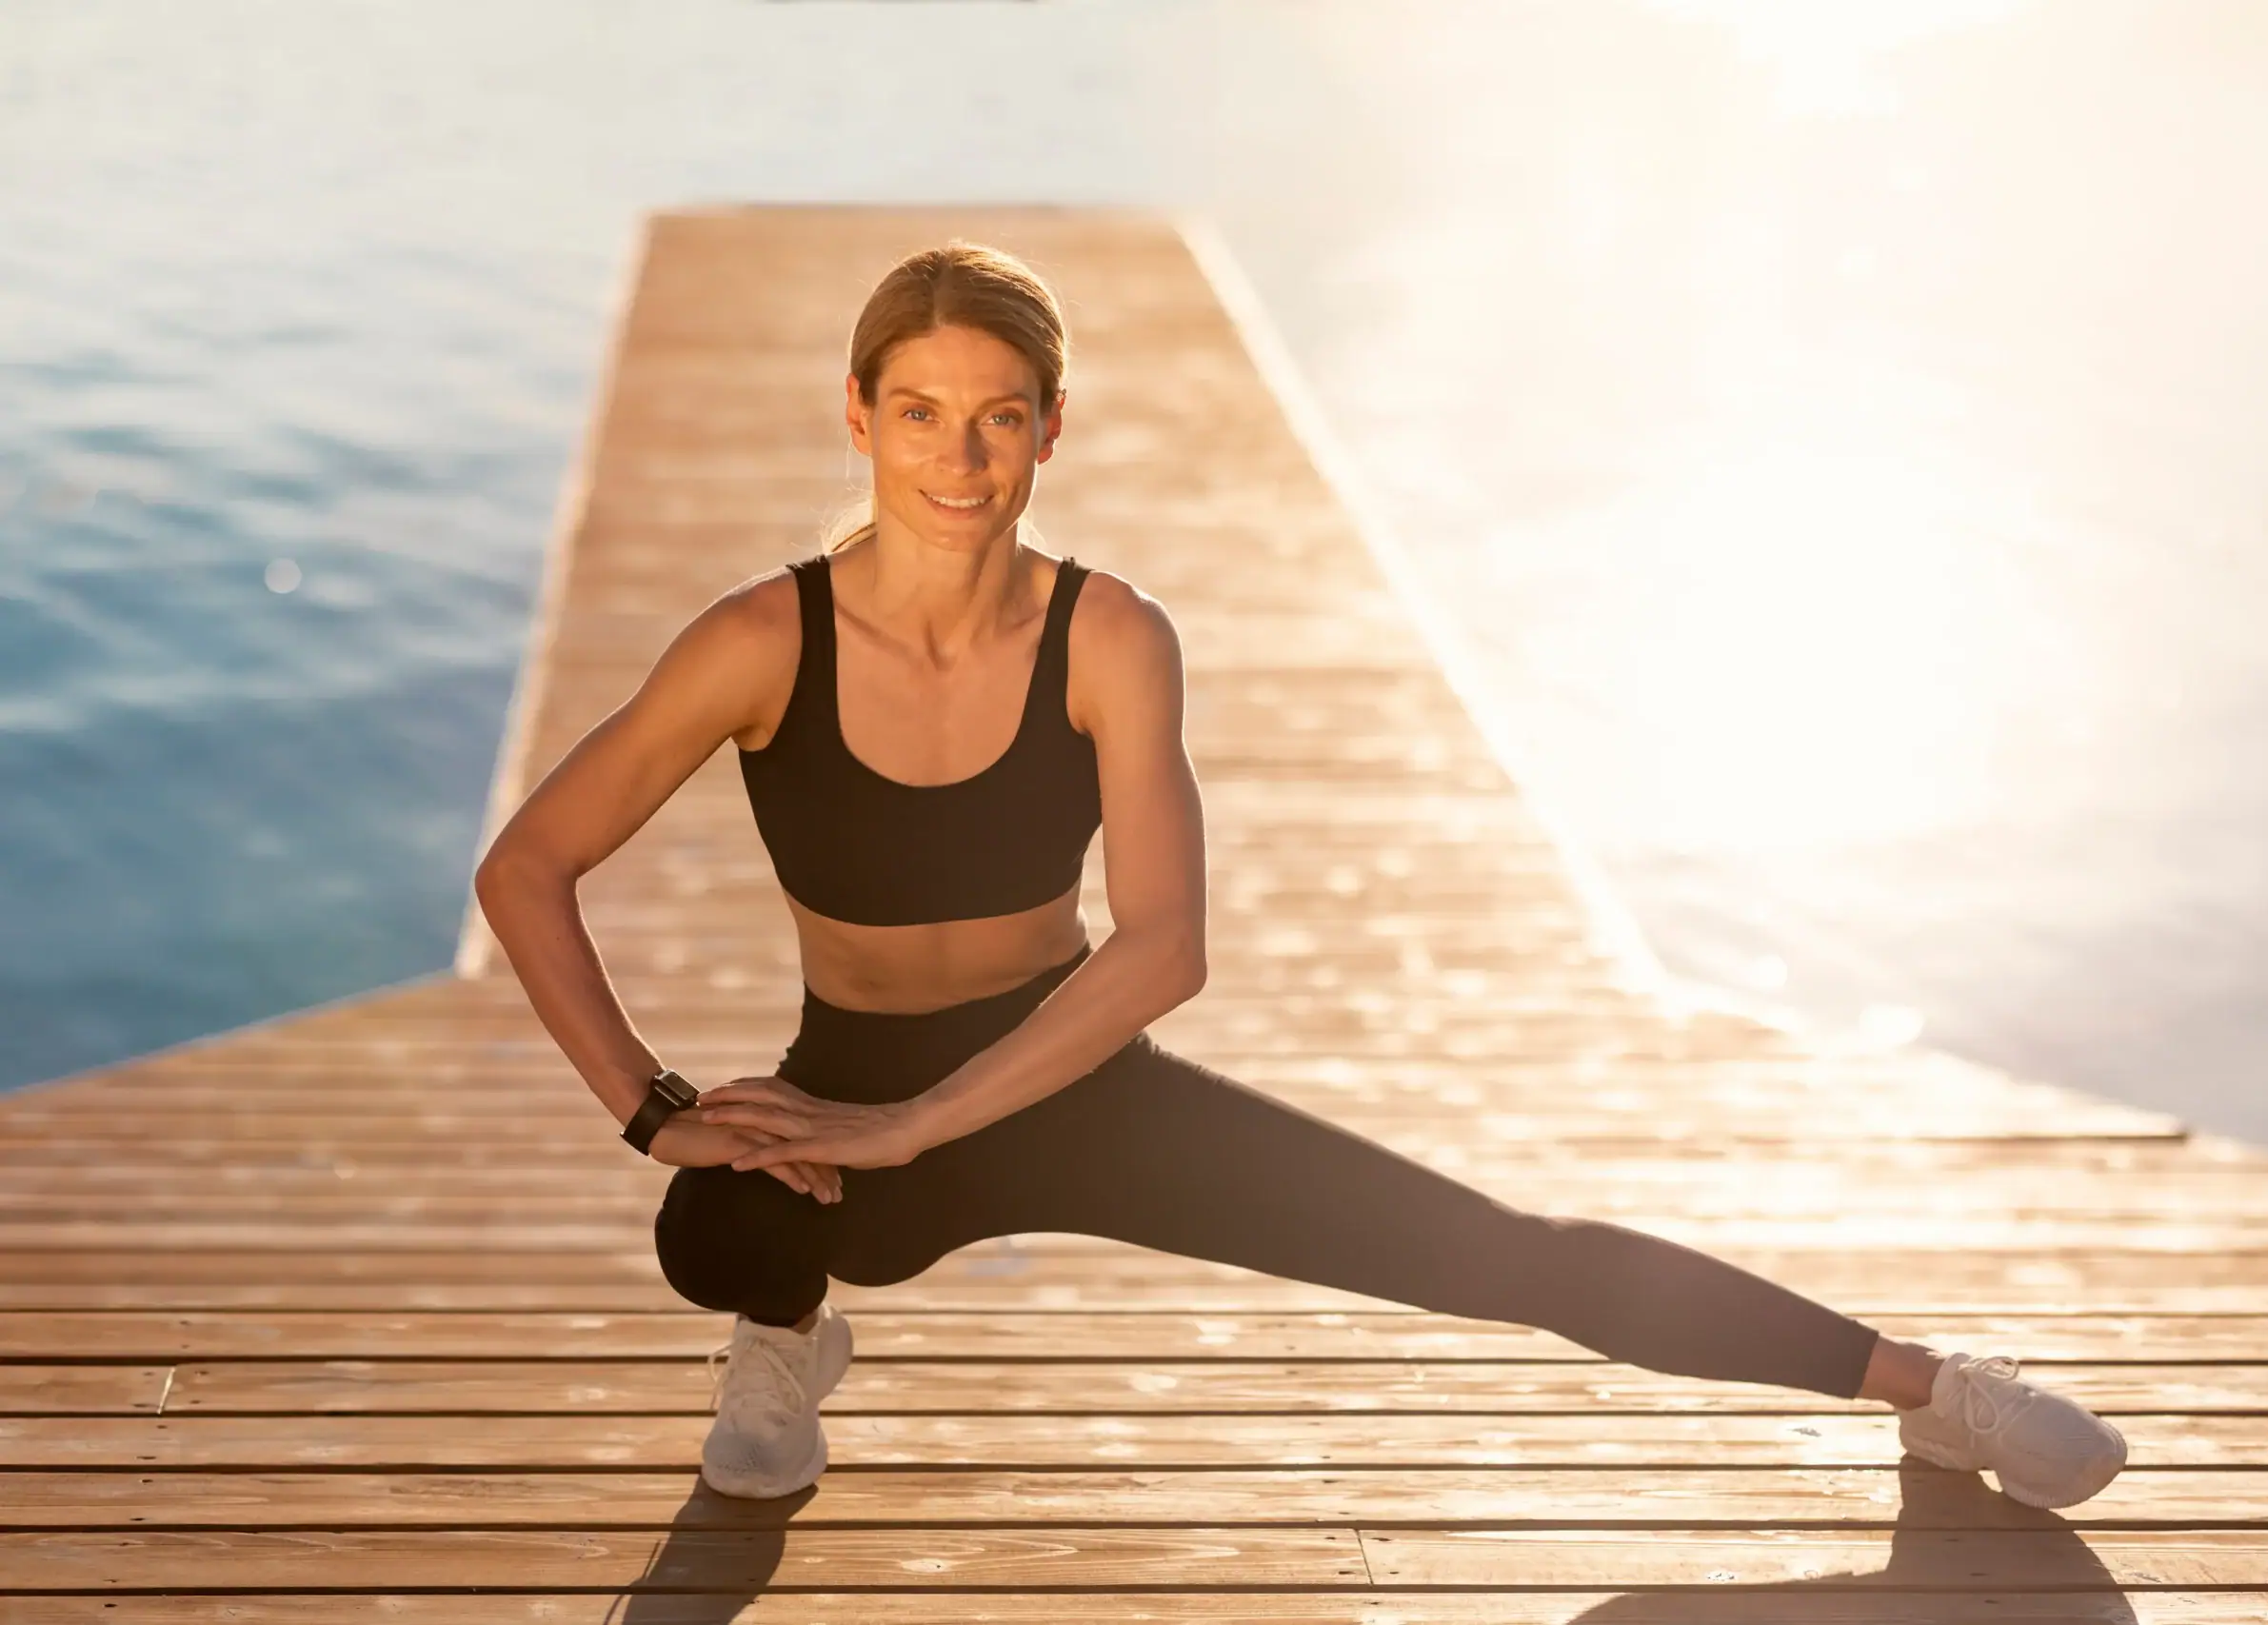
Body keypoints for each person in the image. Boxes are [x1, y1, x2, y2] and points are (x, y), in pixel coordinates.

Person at [472, 241, 2128, 1509]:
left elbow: (1163, 948)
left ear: (1051, 427)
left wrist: (925, 1120)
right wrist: (653, 1102)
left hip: (1075, 1074)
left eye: (996, 416)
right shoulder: (762, 640)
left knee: (1505, 1252)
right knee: (716, 1218)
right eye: (918, 413)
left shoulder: (1109, 635)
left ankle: (1935, 1387)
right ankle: (782, 1335)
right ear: (858, 415)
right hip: (852, 1092)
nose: (958, 456)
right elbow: (530, 866)